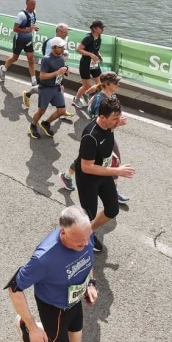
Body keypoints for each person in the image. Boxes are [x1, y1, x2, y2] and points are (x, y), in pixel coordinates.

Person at [6, 205, 98, 342]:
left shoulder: (84, 235)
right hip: (53, 308)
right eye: (79, 241)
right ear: (63, 231)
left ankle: (26, 326)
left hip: (73, 301)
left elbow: (88, 259)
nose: (85, 244)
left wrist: (91, 284)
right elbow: (14, 289)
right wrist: (33, 326)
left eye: (87, 238)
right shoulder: (43, 258)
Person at [74, 97, 135, 252]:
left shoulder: (108, 125)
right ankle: (78, 240)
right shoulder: (90, 136)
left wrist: (115, 125)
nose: (117, 121)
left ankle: (88, 231)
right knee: (89, 214)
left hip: (103, 173)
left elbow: (107, 136)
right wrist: (117, 171)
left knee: (112, 209)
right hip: (88, 179)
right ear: (101, 117)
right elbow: (86, 167)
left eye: (119, 117)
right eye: (115, 119)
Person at [60, 72, 130, 204]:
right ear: (107, 84)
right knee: (113, 160)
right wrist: (116, 123)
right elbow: (101, 122)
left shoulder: (111, 96)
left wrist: (117, 121)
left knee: (83, 158)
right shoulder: (99, 100)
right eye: (116, 83)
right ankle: (113, 191)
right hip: (98, 135)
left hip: (107, 133)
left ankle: (66, 175)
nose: (118, 85)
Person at [28, 38, 70, 140]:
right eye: (60, 47)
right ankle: (33, 125)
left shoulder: (61, 58)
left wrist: (65, 73)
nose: (63, 49)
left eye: (63, 47)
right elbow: (42, 76)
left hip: (56, 88)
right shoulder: (46, 59)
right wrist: (57, 72)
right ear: (53, 47)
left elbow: (60, 72)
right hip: (46, 88)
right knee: (41, 111)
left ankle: (46, 123)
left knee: (61, 111)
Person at [21, 24, 69, 109]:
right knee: (43, 89)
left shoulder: (61, 42)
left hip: (58, 71)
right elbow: (48, 57)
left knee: (60, 88)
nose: (67, 34)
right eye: (65, 32)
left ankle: (61, 111)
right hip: (49, 71)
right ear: (59, 32)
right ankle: (28, 94)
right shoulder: (51, 42)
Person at [0, 0, 39, 86]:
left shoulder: (34, 13)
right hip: (19, 40)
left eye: (35, 4)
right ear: (27, 4)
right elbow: (15, 29)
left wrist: (33, 28)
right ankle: (3, 69)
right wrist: (28, 29)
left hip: (28, 40)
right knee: (15, 58)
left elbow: (31, 25)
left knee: (31, 59)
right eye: (32, 4)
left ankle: (33, 81)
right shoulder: (21, 15)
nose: (34, 6)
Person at [73, 20, 105, 108]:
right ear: (94, 28)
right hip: (85, 63)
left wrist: (98, 55)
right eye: (101, 28)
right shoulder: (88, 38)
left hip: (94, 64)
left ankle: (87, 94)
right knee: (86, 85)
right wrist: (90, 54)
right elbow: (79, 49)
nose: (103, 29)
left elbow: (95, 49)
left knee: (100, 84)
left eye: (103, 28)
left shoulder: (99, 38)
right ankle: (76, 99)